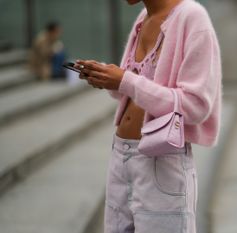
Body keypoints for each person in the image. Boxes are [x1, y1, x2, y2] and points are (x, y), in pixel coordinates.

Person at [75, 0, 222, 232]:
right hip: (120, 156)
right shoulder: (144, 17)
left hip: (161, 161)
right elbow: (130, 89)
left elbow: (196, 105)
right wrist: (105, 76)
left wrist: (125, 80)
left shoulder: (192, 18)